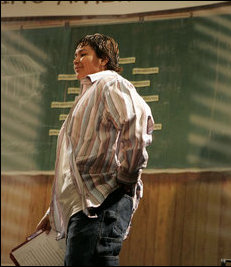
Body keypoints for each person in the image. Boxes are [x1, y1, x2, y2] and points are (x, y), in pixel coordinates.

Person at [35, 33, 154, 266]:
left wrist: (127, 176)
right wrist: (54, 212)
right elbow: (73, 167)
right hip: (83, 208)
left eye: (83, 54)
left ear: (103, 59)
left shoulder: (111, 83)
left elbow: (137, 125)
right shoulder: (87, 93)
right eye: (75, 55)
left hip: (102, 202)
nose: (76, 60)